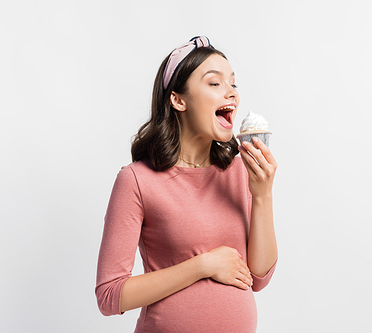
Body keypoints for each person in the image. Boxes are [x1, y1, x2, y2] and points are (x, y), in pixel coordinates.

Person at [95, 36, 278, 333]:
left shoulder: (239, 171)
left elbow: (259, 278)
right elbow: (109, 296)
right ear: (178, 100)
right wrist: (202, 266)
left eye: (233, 84)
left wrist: (263, 195)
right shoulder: (136, 180)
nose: (231, 93)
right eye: (214, 83)